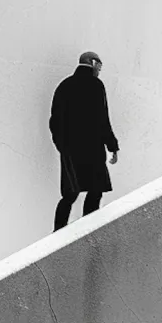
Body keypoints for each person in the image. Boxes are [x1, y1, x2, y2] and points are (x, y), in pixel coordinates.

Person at [49, 51, 119, 231]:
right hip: (92, 149)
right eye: (99, 66)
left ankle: (57, 233)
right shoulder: (96, 85)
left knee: (70, 194)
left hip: (69, 150)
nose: (99, 70)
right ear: (92, 63)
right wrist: (112, 145)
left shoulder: (64, 85)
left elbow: (54, 120)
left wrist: (61, 146)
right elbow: (103, 119)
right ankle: (87, 230)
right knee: (96, 190)